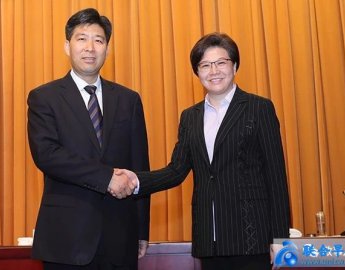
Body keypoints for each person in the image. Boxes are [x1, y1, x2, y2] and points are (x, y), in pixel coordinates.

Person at [115, 32, 290, 270]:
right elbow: (176, 170)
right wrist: (135, 180)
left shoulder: (259, 108)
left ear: (235, 65)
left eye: (221, 63)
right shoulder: (190, 117)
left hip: (252, 238)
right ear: (197, 72)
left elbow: (276, 177)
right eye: (205, 65)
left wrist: (281, 240)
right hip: (210, 239)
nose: (213, 71)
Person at [27, 8, 150, 270]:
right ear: (67, 46)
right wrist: (106, 178)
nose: (90, 47)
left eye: (99, 39)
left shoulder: (129, 100)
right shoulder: (44, 98)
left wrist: (142, 229)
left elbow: (139, 164)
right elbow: (47, 155)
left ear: (107, 48)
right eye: (81, 38)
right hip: (67, 238)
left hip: (120, 234)